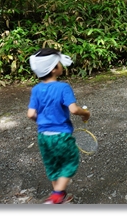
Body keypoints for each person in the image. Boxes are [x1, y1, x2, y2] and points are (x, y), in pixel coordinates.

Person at [27, 48, 90, 204]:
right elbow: (74, 109)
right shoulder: (63, 88)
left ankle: (60, 196)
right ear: (54, 68)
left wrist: (42, 122)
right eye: (59, 63)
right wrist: (85, 114)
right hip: (61, 135)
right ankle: (56, 196)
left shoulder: (36, 89)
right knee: (70, 161)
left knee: (53, 164)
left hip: (43, 136)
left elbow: (30, 114)